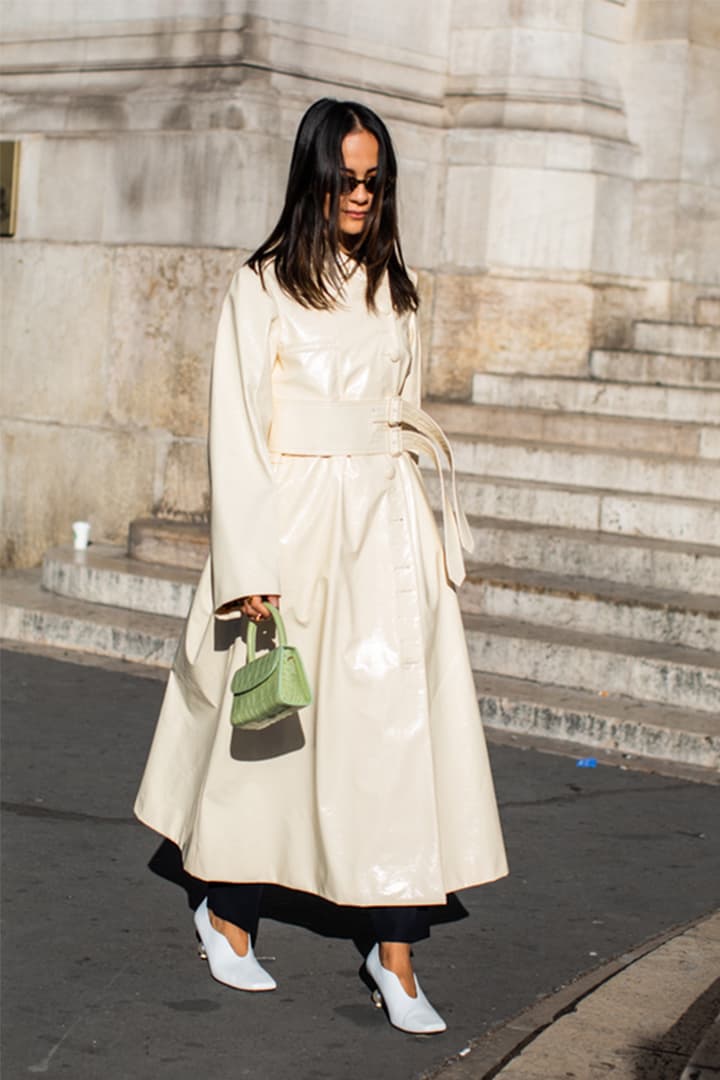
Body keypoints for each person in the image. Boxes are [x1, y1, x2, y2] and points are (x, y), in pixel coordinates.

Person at [134, 97, 508, 1035]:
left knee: (392, 737)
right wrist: (248, 565)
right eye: (345, 176)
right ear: (313, 176)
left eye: (375, 177)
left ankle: (396, 952)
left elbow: (403, 406)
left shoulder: (395, 284)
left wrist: (416, 531)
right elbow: (238, 434)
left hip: (383, 523)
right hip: (292, 524)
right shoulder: (260, 287)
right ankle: (225, 909)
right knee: (270, 725)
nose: (361, 192)